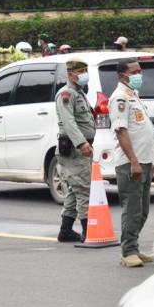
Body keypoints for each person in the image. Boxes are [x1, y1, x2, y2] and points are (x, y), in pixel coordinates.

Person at [108, 58, 154, 267]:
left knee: (143, 209)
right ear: (123, 76)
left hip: (144, 161)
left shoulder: (132, 95)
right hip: (131, 163)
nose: (139, 75)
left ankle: (134, 247)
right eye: (135, 72)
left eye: (140, 71)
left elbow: (142, 131)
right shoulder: (120, 98)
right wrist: (134, 162)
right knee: (132, 209)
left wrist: (150, 161)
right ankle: (127, 251)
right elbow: (121, 132)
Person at [54, 60, 95, 243]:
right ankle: (88, 231)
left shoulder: (79, 92)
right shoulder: (66, 94)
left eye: (86, 70)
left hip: (82, 147)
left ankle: (66, 230)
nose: (85, 74)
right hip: (74, 148)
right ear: (71, 74)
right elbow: (69, 122)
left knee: (75, 188)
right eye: (81, 71)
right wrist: (81, 143)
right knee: (84, 189)